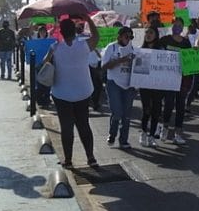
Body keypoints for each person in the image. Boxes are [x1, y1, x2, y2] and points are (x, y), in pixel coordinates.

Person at [41, 14, 100, 168]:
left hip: (61, 93)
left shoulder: (55, 47)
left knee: (66, 127)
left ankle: (68, 160)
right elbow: (96, 36)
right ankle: (91, 157)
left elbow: (44, 63)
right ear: (75, 31)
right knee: (84, 125)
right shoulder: (84, 45)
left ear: (61, 32)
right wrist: (88, 19)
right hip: (83, 91)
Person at [156, 16, 191, 144]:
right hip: (168, 79)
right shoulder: (164, 40)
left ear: (183, 27)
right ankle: (165, 128)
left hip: (182, 78)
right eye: (175, 25)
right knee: (169, 104)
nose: (177, 27)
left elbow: (190, 60)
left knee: (181, 106)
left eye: (180, 25)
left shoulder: (186, 42)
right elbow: (157, 54)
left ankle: (178, 133)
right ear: (171, 26)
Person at [100, 25, 136, 148]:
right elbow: (104, 66)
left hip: (129, 85)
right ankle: (112, 134)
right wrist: (121, 60)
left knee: (126, 114)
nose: (128, 39)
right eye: (126, 36)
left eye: (131, 37)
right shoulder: (112, 47)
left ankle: (123, 140)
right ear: (119, 37)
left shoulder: (134, 49)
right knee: (117, 112)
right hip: (114, 83)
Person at [137, 27, 164, 147]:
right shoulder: (141, 50)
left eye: (151, 32)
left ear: (156, 35)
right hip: (145, 85)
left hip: (158, 85)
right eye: (146, 32)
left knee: (156, 111)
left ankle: (151, 136)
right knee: (146, 110)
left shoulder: (161, 50)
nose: (148, 34)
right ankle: (143, 132)